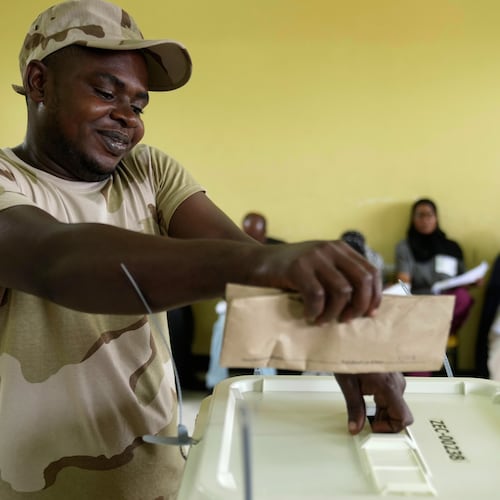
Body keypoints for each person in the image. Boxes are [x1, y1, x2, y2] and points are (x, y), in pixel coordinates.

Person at [0, 1, 412, 498]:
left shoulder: (147, 172)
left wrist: (349, 348)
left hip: (163, 482)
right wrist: (267, 260)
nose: (127, 119)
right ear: (40, 83)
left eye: (138, 105)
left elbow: (243, 268)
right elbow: (56, 259)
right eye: (106, 91)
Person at [395, 198, 475, 375]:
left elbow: (464, 278)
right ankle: (421, 381)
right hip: (420, 307)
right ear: (413, 219)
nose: (425, 220)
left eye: (429, 215)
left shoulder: (452, 247)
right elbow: (404, 280)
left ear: (436, 218)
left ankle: (429, 337)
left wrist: (473, 281)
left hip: (448, 309)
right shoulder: (406, 246)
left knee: (463, 297)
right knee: (422, 330)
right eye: (420, 215)